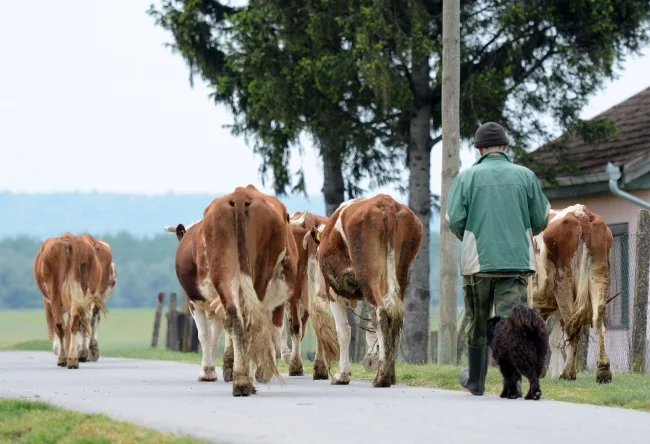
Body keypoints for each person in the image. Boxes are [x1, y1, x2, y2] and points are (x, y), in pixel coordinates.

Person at [445, 122, 550, 396]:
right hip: (516, 262)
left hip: (477, 263)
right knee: (513, 323)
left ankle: (477, 381)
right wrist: (520, 234)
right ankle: (512, 382)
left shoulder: (466, 178)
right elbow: (540, 219)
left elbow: (455, 220)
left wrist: (469, 237)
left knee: (477, 320)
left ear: (479, 149)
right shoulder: (526, 176)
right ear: (505, 147)